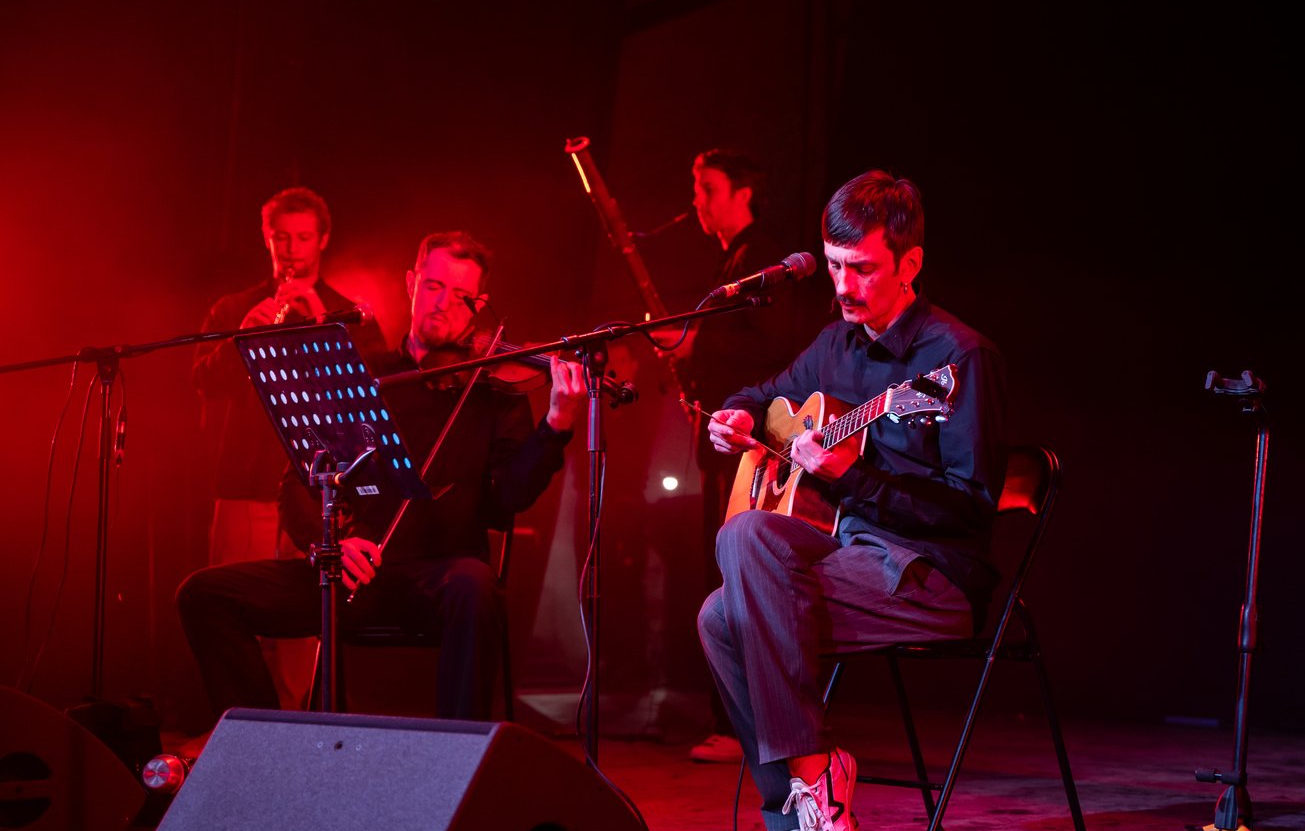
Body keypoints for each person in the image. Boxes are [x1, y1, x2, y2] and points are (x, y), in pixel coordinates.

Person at [697, 171, 1007, 831]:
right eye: (835, 265)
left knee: (731, 596)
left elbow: (970, 510)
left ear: (910, 263)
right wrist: (739, 415)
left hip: (928, 574)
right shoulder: (834, 345)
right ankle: (796, 814)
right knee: (722, 597)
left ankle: (814, 789)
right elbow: (766, 395)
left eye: (862, 268)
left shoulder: (958, 358)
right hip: (847, 553)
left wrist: (850, 476)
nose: (844, 285)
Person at [177, 231, 585, 722]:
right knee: (205, 595)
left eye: (461, 296)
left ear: (480, 306)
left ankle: (460, 754)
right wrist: (328, 547)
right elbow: (298, 484)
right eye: (433, 286)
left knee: (475, 586)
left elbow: (508, 499)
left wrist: (555, 427)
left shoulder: (494, 390)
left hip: (443, 577)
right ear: (411, 283)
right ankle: (264, 741)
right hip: (356, 572)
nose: (443, 304)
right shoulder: (366, 375)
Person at [681, 149, 827, 763]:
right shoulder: (734, 266)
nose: (697, 201)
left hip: (759, 444)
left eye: (708, 187)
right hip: (736, 434)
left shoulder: (763, 264)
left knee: (737, 571)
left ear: (744, 193)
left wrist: (695, 345)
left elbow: (774, 352)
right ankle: (745, 725)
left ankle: (750, 728)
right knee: (721, 580)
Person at [193, 187, 385, 565]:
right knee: (234, 593)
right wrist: (239, 340)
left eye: (303, 237)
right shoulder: (232, 309)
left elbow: (370, 398)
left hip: (322, 492)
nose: (292, 249)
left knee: (309, 602)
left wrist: (321, 322)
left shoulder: (350, 315)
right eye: (281, 237)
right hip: (246, 487)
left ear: (323, 240)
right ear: (267, 237)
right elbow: (204, 384)